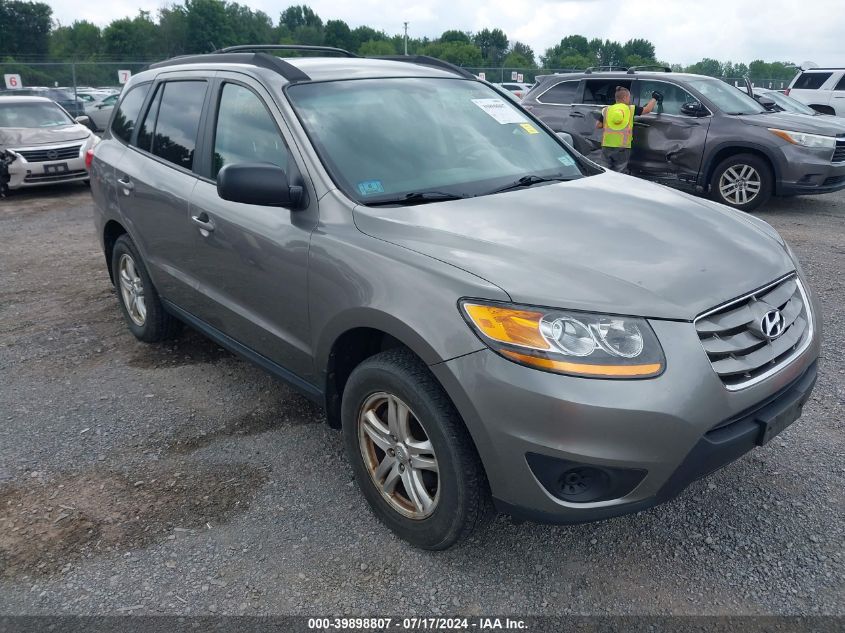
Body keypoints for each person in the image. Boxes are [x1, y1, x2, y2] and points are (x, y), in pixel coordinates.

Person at [595, 86, 662, 173]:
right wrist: (655, 98)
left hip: (607, 145)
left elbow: (598, 125)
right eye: (629, 97)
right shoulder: (630, 109)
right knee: (620, 170)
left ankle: (605, 184)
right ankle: (618, 185)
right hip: (622, 146)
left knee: (605, 169)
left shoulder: (607, 110)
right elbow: (647, 109)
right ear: (625, 97)